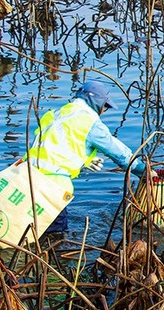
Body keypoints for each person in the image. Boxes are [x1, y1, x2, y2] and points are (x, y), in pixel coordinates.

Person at [24, 80, 150, 234]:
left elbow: (53, 147)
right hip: (52, 185)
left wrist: (82, 162)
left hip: (25, 176)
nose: (104, 110)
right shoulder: (89, 121)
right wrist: (142, 170)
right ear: (96, 102)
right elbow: (118, 152)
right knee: (55, 230)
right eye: (105, 106)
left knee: (28, 224)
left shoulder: (56, 113)